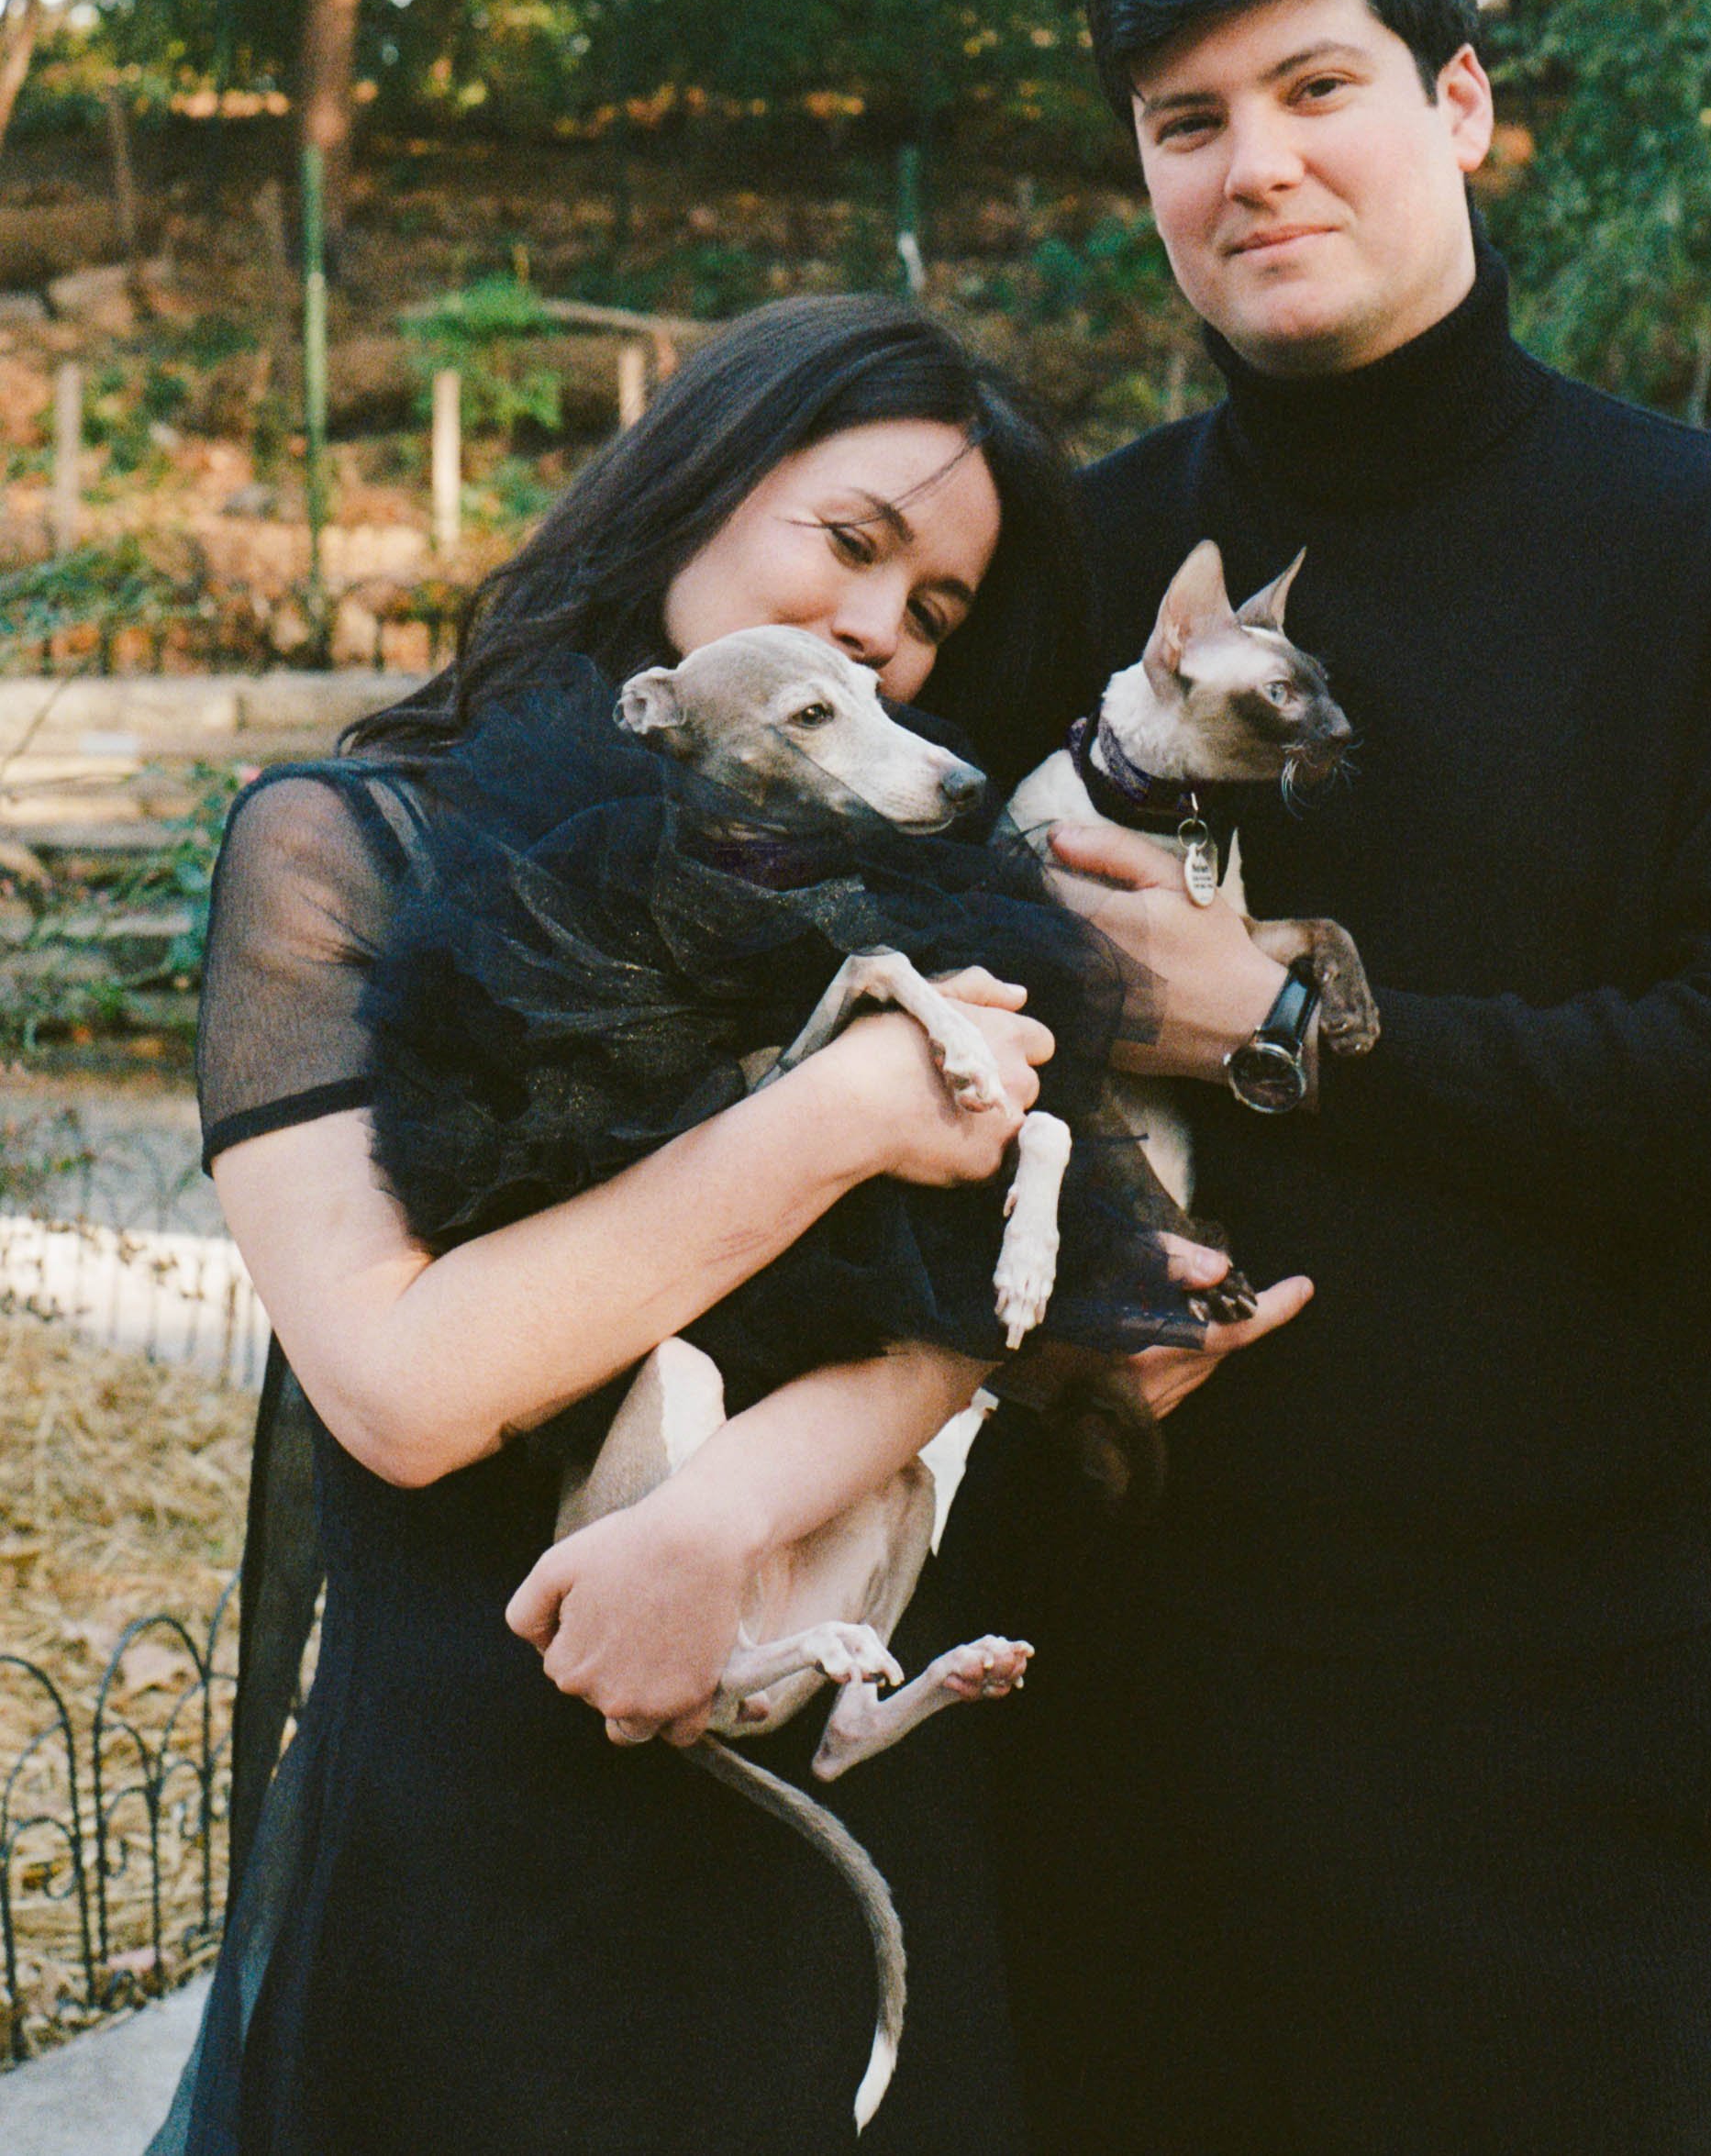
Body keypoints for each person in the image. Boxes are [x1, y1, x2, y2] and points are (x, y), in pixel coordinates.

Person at [946, 0, 1711, 2156]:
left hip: (1533, 1725)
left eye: (1318, 89)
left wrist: (1278, 1030)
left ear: (1460, 102)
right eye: (1188, 123)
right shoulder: (1073, 551)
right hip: (1091, 1697)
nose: (1256, 166)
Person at [163, 294, 1300, 2156]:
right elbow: (403, 1385)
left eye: (935, 611)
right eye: (852, 542)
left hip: (839, 1819)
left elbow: (962, 1325)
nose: (881, 625)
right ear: (694, 482)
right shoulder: (345, 845)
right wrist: (836, 1117)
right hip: (482, 1826)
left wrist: (749, 1496)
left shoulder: (915, 896)